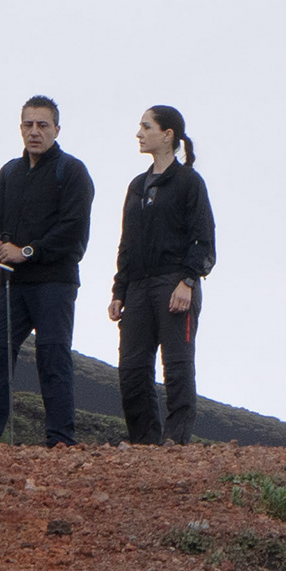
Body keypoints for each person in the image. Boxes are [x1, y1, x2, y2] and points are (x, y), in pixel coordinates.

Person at [0, 96, 94, 445]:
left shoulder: (72, 171)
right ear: (20, 128)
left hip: (55, 282)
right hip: (11, 282)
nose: (35, 132)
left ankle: (60, 440)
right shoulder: (10, 172)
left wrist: (27, 251)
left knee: (53, 356)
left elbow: (73, 231)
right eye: (28, 125)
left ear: (57, 129)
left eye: (43, 125)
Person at [108, 104, 215, 445]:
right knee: (132, 368)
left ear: (168, 135)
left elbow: (203, 237)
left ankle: (175, 442)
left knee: (177, 365)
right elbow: (127, 242)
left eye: (146, 127)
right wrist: (119, 290)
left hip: (174, 281)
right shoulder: (137, 186)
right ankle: (144, 442)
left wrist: (188, 281)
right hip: (138, 286)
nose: (139, 133)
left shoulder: (188, 181)